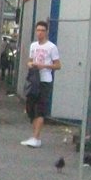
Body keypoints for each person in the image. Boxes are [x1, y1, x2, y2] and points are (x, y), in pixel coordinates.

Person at [21, 20, 60, 148]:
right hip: (34, 80)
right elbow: (30, 61)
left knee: (40, 109)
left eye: (42, 30)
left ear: (46, 32)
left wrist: (43, 65)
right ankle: (34, 136)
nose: (40, 33)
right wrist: (31, 65)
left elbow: (57, 65)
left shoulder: (51, 47)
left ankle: (36, 137)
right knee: (31, 108)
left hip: (45, 80)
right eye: (38, 30)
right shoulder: (33, 46)